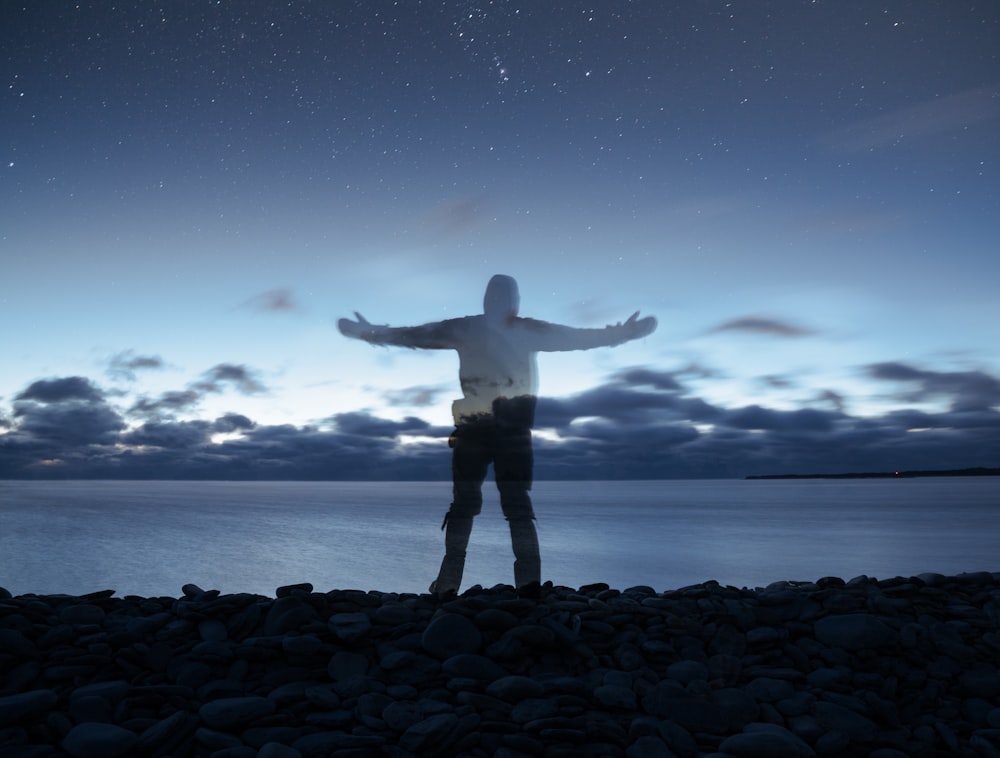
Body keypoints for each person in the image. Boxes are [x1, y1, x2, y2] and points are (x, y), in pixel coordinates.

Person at [338, 274, 656, 598]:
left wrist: (368, 333)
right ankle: (522, 585)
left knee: (472, 506)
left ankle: (453, 586)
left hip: (483, 428)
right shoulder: (513, 329)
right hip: (502, 429)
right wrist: (624, 333)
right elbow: (575, 337)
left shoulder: (477, 328)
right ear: (512, 301)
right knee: (509, 506)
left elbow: (416, 335)